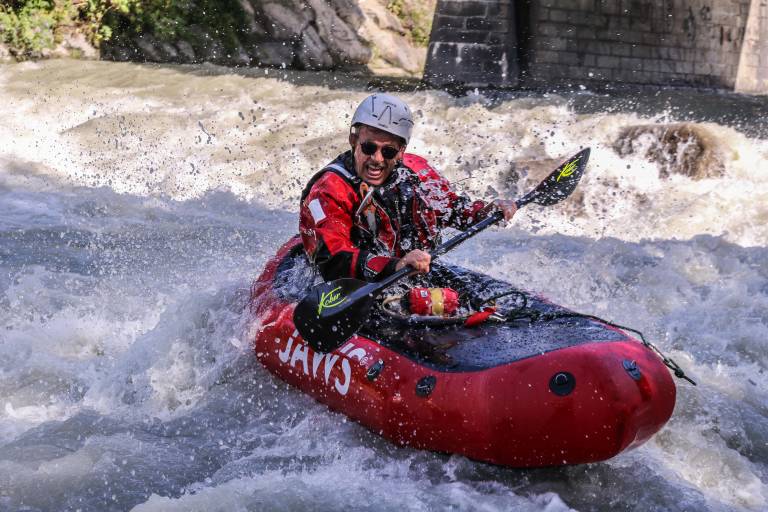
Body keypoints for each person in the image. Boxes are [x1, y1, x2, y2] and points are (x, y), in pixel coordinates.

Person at [299, 93, 517, 284]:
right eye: (369, 147)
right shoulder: (329, 190)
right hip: (355, 283)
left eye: (388, 152)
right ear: (353, 140)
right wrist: (395, 266)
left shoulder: (416, 172)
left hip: (410, 270)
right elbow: (333, 259)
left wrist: (485, 212)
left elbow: (452, 209)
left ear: (401, 151)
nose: (377, 159)